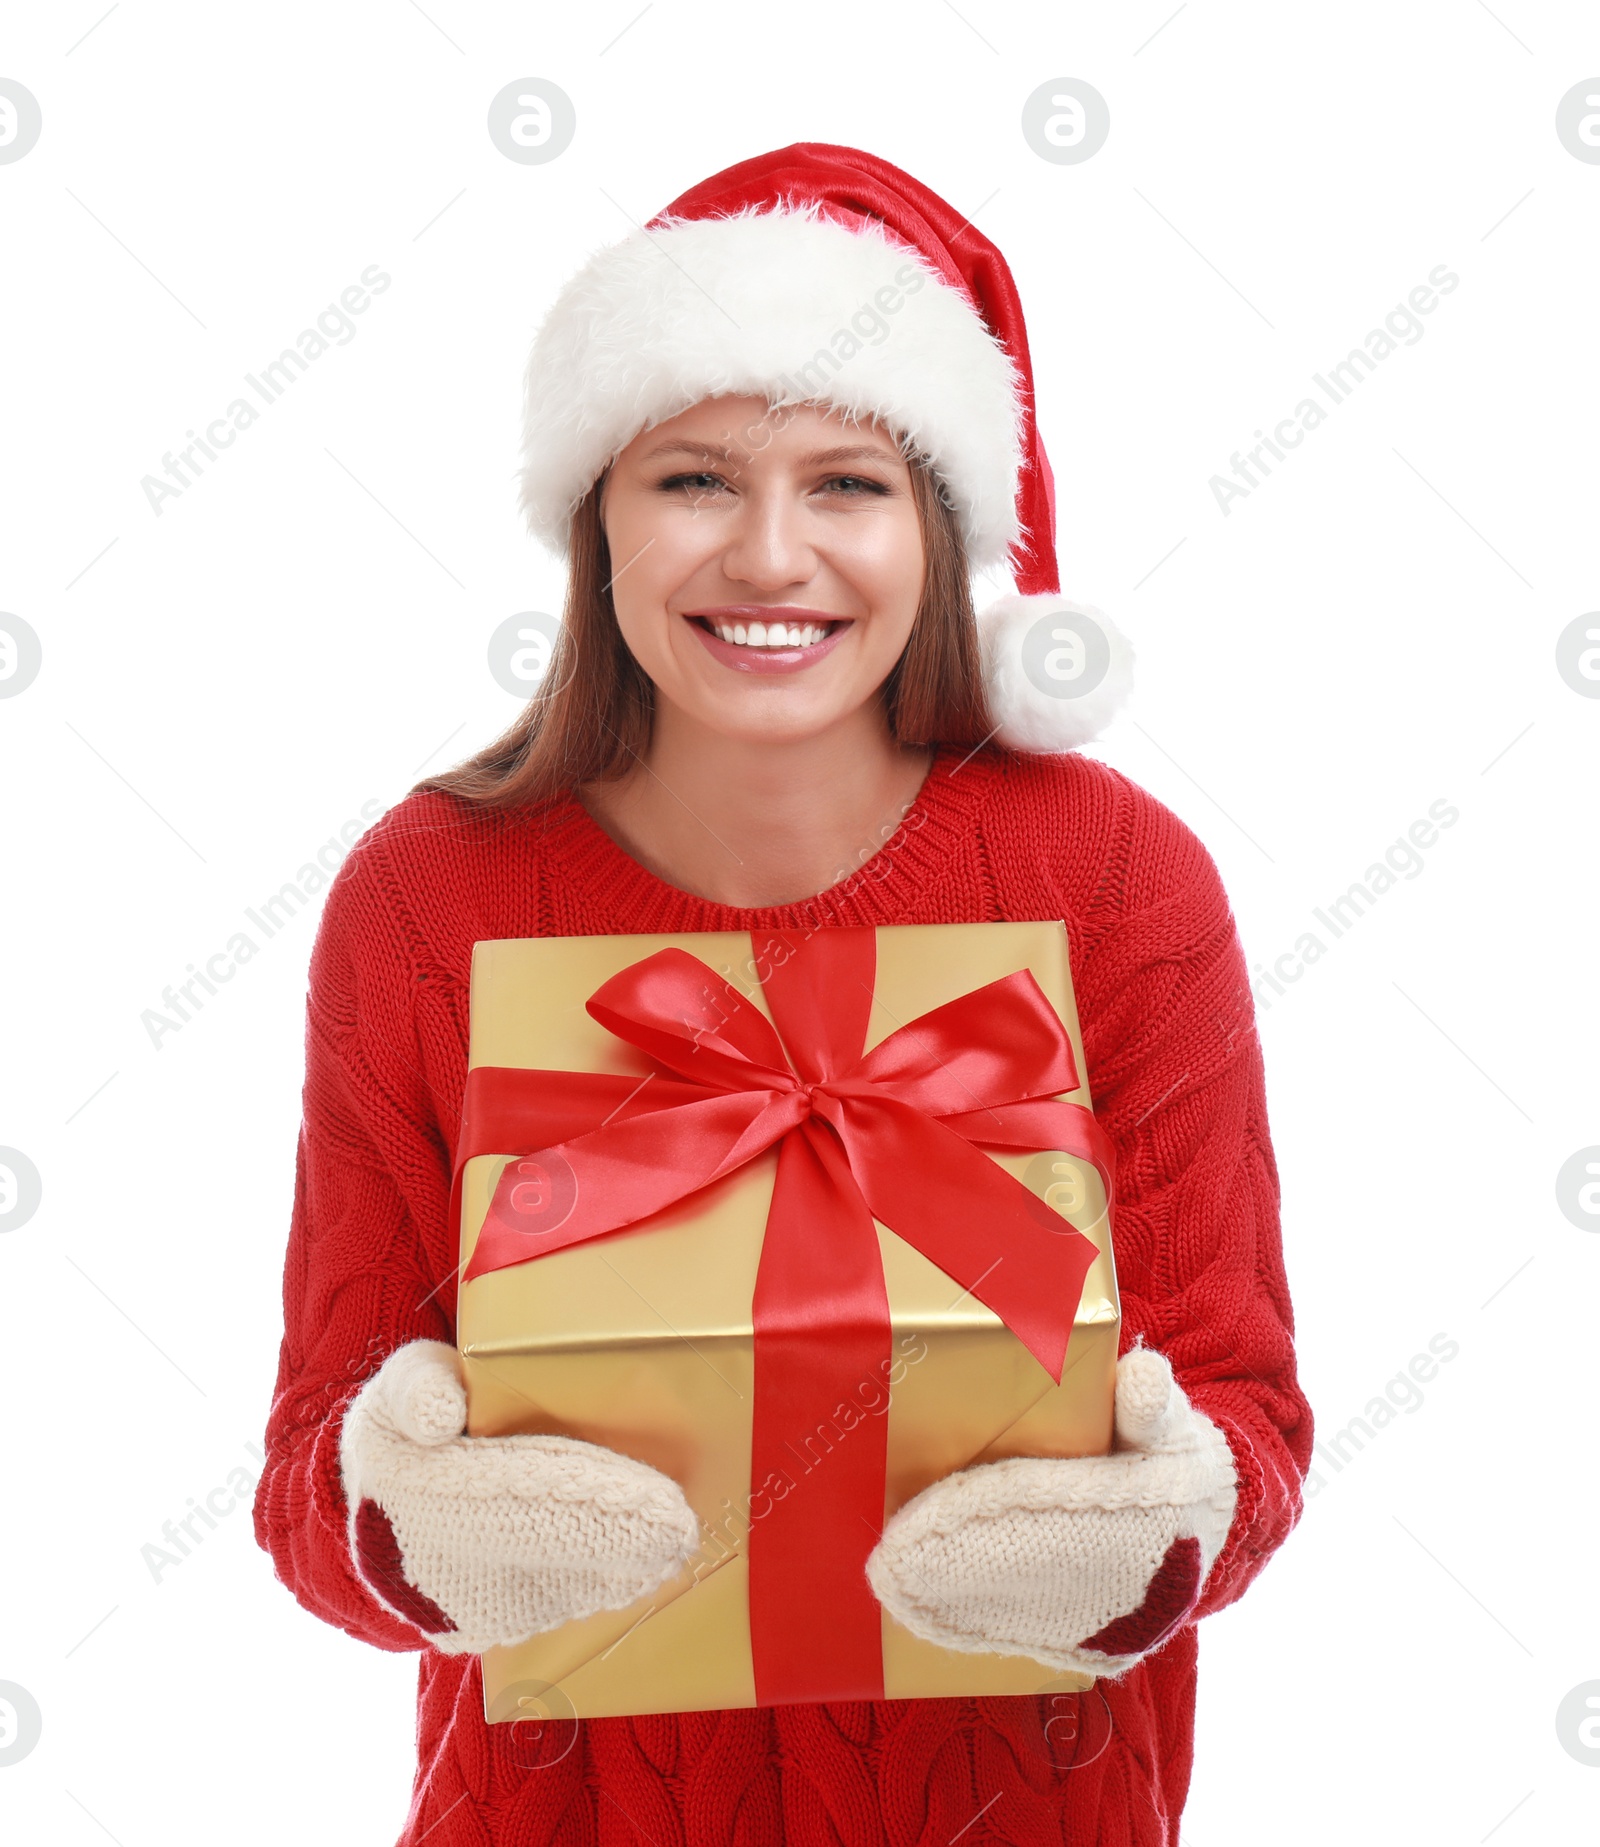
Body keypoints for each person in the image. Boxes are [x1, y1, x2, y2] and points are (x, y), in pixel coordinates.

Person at [254, 142, 1313, 1847]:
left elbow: (1245, 1422)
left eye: (848, 484)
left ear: (943, 528)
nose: (767, 556)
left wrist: (1158, 1535)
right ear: (595, 510)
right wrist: (401, 1517)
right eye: (693, 478)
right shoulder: (429, 897)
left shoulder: (1115, 881)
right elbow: (315, 1479)